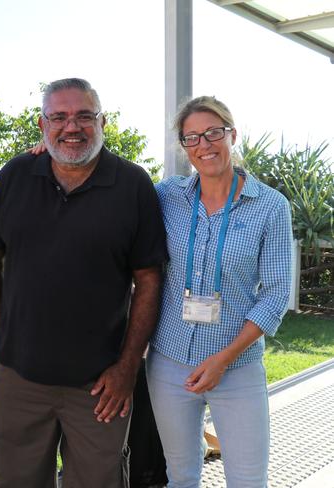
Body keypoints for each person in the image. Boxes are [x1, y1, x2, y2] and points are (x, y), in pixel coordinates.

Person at [0, 77, 168, 488]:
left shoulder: (133, 184)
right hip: (20, 377)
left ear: (102, 122)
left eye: (84, 116)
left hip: (100, 386)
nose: (72, 127)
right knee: (15, 479)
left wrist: (127, 367)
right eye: (59, 117)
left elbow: (149, 278)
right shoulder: (16, 174)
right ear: (43, 124)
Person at [146, 96, 293, 487]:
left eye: (214, 133)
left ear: (232, 134)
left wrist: (223, 359)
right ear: (183, 146)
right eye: (192, 137)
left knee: (247, 479)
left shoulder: (270, 206)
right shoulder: (167, 196)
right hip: (169, 361)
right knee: (181, 475)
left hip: (237, 366)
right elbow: (114, 194)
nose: (204, 145)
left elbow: (277, 293)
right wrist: (48, 153)